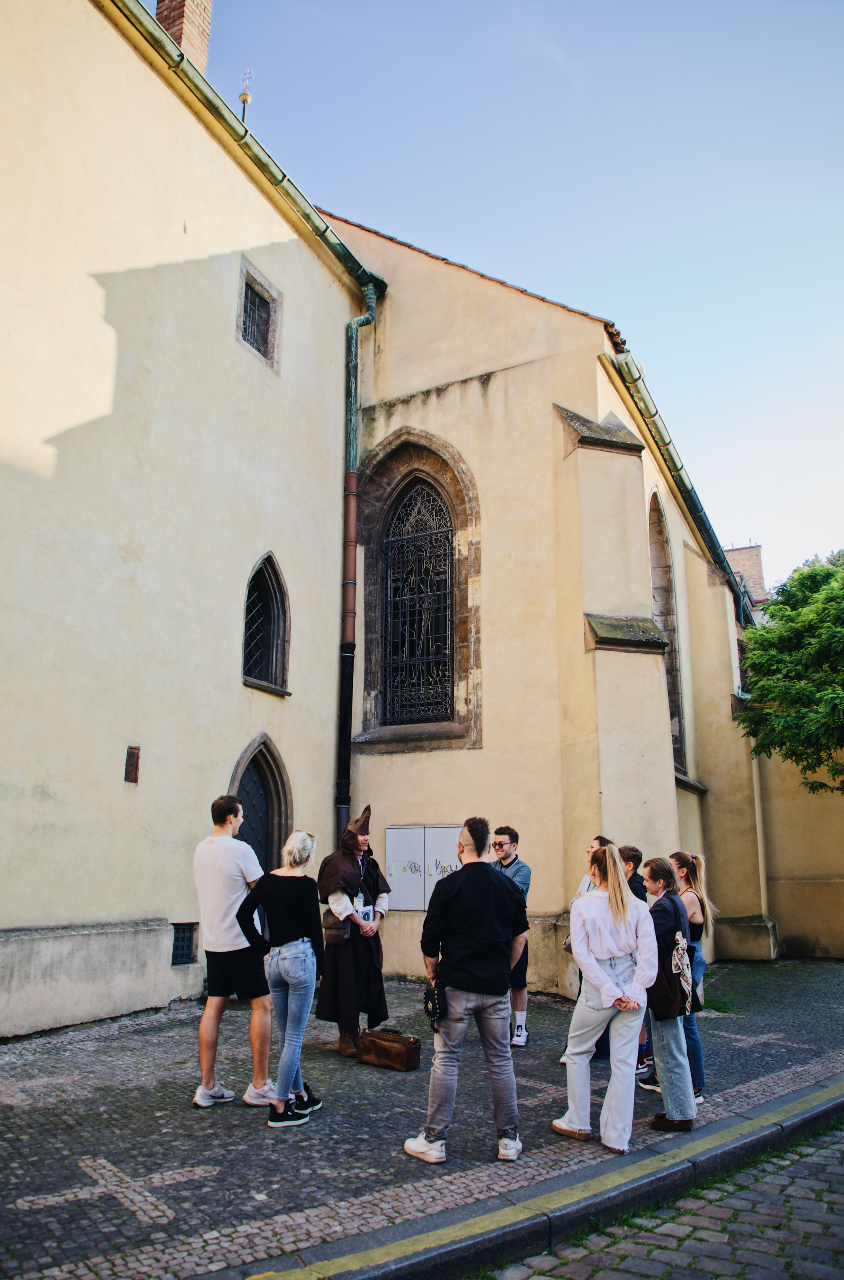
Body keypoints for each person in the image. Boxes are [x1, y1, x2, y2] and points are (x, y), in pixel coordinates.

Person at [405, 816, 529, 1165]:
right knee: (501, 1061)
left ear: (459, 848)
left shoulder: (447, 886)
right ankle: (508, 1140)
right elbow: (520, 937)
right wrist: (503, 970)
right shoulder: (508, 887)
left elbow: (430, 940)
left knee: (446, 1060)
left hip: (456, 985)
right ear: (489, 847)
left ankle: (435, 1141)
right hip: (495, 988)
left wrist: (432, 972)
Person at [551, 843, 657, 1153]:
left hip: (600, 986)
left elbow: (583, 956)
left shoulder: (584, 905)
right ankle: (616, 1135)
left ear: (594, 870)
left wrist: (611, 991)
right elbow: (649, 957)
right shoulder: (638, 905)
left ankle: (578, 1120)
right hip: (630, 979)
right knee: (624, 1063)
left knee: (577, 1051)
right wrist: (633, 991)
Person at [236, 830, 325, 1129]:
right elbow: (315, 929)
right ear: (308, 857)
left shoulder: (268, 880)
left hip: (273, 961)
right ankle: (279, 1105)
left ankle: (301, 1096)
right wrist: (322, 965)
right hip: (299, 958)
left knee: (287, 1037)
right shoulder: (307, 885)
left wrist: (262, 946)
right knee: (294, 1038)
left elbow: (242, 915)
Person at [191, 795, 274, 1109]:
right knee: (263, 1006)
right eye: (239, 816)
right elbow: (263, 890)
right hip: (241, 941)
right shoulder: (241, 850)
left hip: (213, 941)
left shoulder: (201, 849)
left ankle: (207, 1086)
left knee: (214, 1007)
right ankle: (259, 1085)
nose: (241, 821)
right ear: (230, 818)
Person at [315, 805, 390, 1056]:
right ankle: (345, 1036)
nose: (366, 838)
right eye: (361, 835)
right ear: (350, 837)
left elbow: (382, 894)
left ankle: (358, 1033)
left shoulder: (370, 864)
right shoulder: (335, 863)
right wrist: (361, 923)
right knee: (346, 983)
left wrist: (375, 922)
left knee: (365, 981)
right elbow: (337, 900)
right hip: (346, 937)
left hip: (368, 935)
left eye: (367, 834)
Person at [638, 856, 697, 1132]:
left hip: (665, 988)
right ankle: (683, 1109)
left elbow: (644, 940)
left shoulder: (663, 907)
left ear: (660, 882)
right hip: (675, 985)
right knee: (673, 1048)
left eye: (647, 880)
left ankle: (679, 1115)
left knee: (666, 1050)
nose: (644, 884)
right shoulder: (675, 900)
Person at [670, 850, 717, 1104]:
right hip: (688, 957)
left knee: (688, 1022)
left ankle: (696, 1085)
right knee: (682, 1020)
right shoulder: (685, 894)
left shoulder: (688, 897)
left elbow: (669, 924)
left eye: (670, 866)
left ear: (682, 871)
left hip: (690, 958)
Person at [490, 825, 532, 1047]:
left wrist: (490, 889)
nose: (497, 847)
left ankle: (521, 1028)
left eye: (501, 844)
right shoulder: (491, 867)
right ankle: (501, 1025)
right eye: (494, 844)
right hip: (495, 932)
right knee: (499, 981)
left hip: (515, 933)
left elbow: (512, 895)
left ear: (514, 845)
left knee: (517, 982)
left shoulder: (522, 869)